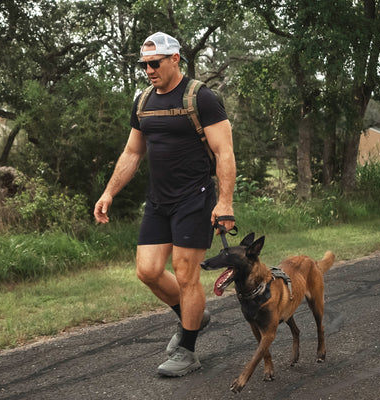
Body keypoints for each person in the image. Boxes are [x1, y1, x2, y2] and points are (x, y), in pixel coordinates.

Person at [94, 32, 236, 377]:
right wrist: (109, 192)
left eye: (154, 63)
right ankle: (193, 317)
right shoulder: (142, 101)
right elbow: (132, 152)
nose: (148, 70)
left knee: (186, 274)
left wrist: (225, 202)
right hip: (158, 200)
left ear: (175, 59)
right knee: (148, 271)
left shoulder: (201, 98)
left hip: (195, 197)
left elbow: (224, 152)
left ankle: (187, 351)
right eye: (144, 64)